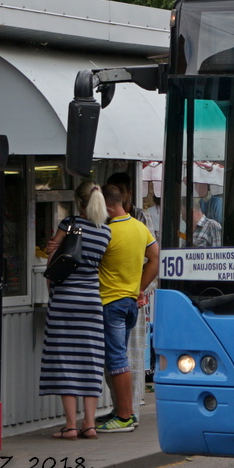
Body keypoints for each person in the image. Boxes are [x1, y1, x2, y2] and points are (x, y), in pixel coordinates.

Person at [39, 181, 110, 440]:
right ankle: (89, 424)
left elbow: (52, 262)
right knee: (90, 359)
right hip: (91, 300)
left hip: (65, 299)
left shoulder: (69, 224)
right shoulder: (105, 232)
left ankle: (70, 426)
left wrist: (53, 290)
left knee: (64, 359)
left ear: (78, 202)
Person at [94, 185, 160, 433]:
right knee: (118, 357)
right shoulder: (139, 226)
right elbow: (155, 258)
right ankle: (124, 411)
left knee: (116, 360)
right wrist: (139, 288)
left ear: (107, 207)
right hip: (130, 303)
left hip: (110, 302)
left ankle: (123, 416)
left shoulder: (107, 231)